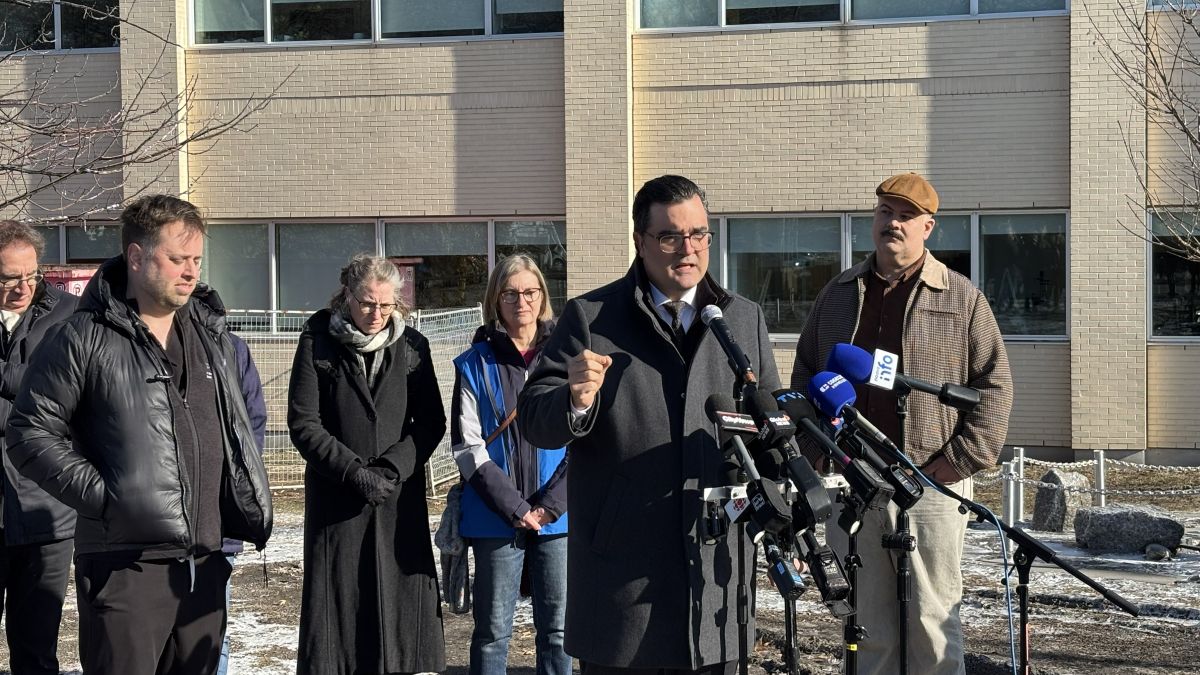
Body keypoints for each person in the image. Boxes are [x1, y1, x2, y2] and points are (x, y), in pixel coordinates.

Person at [518, 175, 781, 674]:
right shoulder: (591, 317)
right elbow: (535, 421)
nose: (689, 249)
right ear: (640, 242)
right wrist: (574, 400)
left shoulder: (742, 319)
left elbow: (766, 425)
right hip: (622, 582)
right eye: (670, 236)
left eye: (699, 234)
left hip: (717, 578)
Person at [4, 195, 273, 675]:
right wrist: (108, 498)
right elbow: (30, 432)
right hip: (125, 566)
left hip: (206, 559)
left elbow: (236, 427)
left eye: (195, 260)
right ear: (136, 257)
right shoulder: (81, 336)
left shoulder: (212, 338)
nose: (190, 272)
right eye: (176, 259)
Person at [790, 172, 1013, 675]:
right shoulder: (838, 293)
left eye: (906, 216)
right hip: (854, 481)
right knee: (868, 626)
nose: (893, 223)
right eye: (885, 212)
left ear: (928, 227)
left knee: (933, 623)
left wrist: (952, 465)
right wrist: (818, 447)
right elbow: (805, 373)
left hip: (931, 484)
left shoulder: (961, 297)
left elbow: (995, 386)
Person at [288, 253, 447, 675]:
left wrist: (393, 468)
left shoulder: (413, 347)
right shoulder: (317, 341)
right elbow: (304, 422)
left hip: (397, 501)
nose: (376, 314)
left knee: (397, 619)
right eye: (366, 303)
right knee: (341, 619)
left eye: (386, 305)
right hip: (337, 503)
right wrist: (352, 471)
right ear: (347, 296)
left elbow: (431, 422)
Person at [451, 254, 569, 675]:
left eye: (530, 292)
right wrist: (516, 509)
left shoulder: (566, 357)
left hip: (557, 519)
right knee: (492, 633)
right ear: (495, 300)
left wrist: (549, 506)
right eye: (511, 293)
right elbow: (468, 447)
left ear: (542, 296)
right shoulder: (474, 364)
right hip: (494, 519)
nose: (522, 301)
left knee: (558, 632)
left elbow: (583, 438)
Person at [0, 220, 78, 675]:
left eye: (31, 275)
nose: (23, 287)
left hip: (47, 509)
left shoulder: (68, 315)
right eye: (9, 278)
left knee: (37, 653)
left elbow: (67, 400)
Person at [216, 331, 267, 675]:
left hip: (218, 521)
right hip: (145, 528)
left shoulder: (231, 349)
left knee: (211, 630)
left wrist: (237, 488)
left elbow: (253, 426)